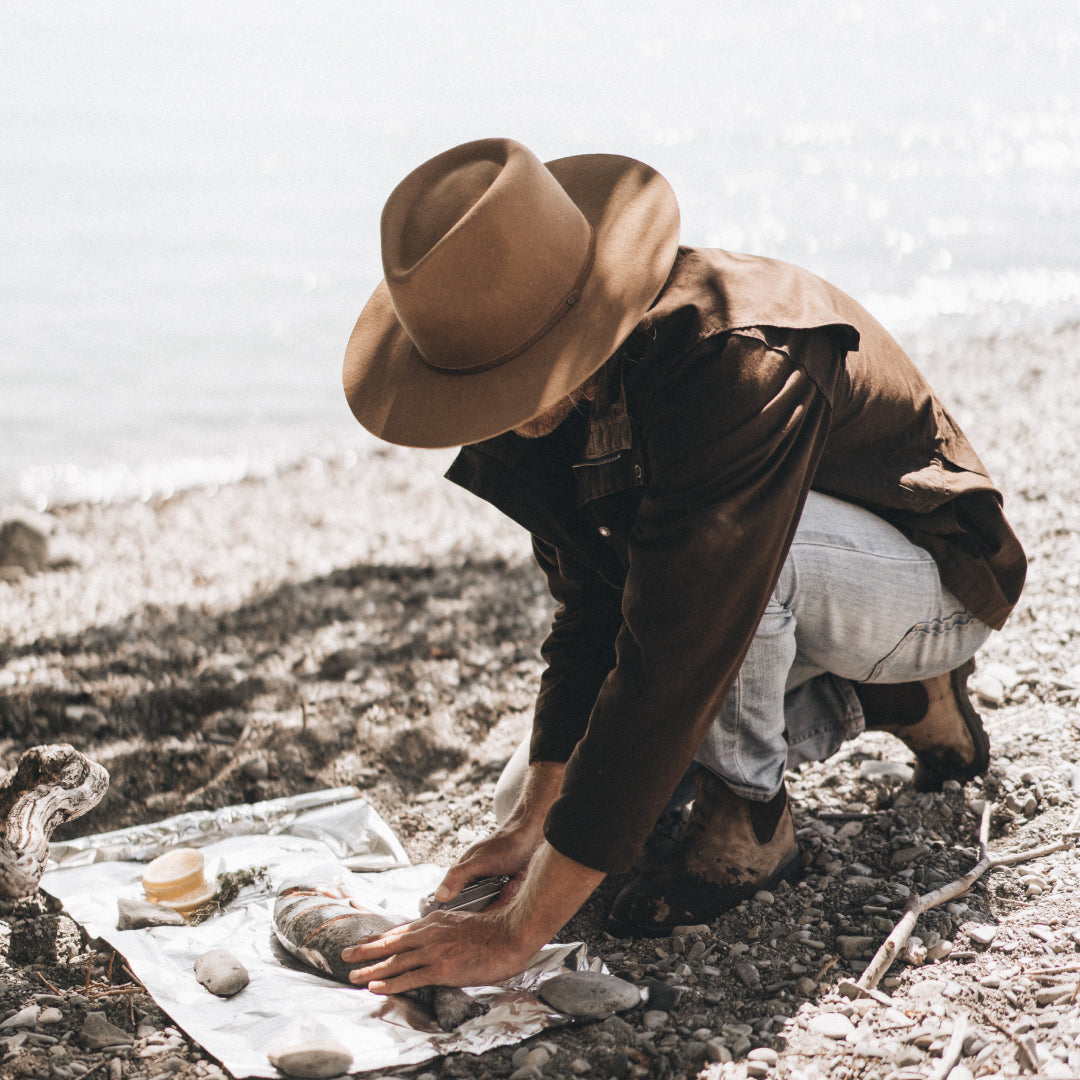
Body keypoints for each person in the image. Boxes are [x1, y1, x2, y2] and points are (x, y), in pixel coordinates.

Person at [337, 138, 1026, 994]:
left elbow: (676, 645)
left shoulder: (736, 359)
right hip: (745, 604)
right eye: (483, 384)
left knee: (693, 643)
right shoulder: (523, 401)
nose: (500, 413)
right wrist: (531, 821)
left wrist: (517, 934)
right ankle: (887, 699)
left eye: (512, 378)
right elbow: (595, 610)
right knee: (545, 805)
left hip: (927, 588)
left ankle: (754, 819)